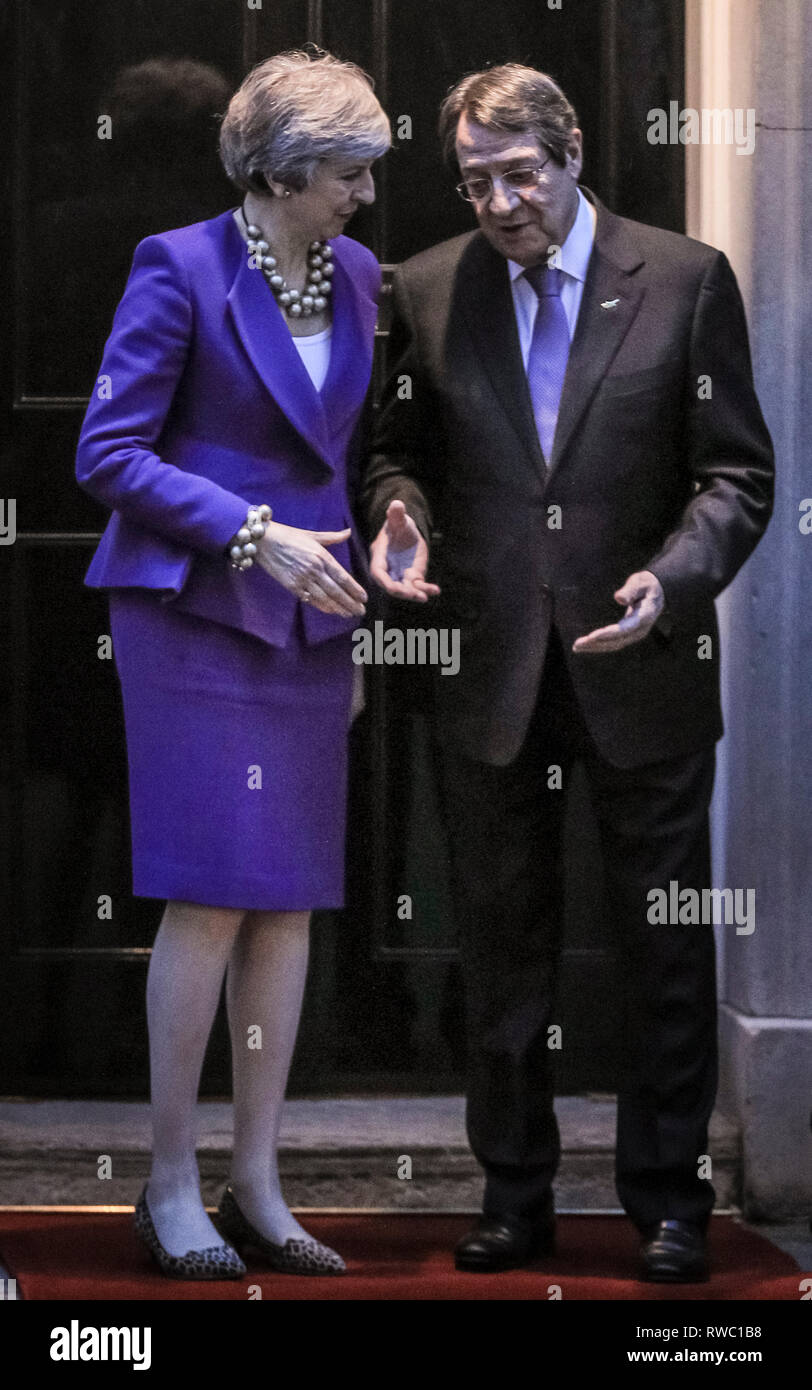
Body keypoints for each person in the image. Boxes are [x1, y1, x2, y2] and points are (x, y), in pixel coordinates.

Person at [362, 63, 774, 1283]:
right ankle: (513, 1197)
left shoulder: (685, 278)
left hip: (637, 662)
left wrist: (673, 576)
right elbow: (394, 449)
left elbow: (736, 475)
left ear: (573, 154)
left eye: (519, 174)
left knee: (660, 950)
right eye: (475, 179)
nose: (498, 202)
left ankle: (668, 1205)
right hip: (489, 667)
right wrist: (398, 514)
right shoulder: (426, 288)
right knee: (500, 954)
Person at [75, 48, 391, 1279]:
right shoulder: (180, 265)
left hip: (313, 620)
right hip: (199, 614)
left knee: (290, 900)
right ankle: (164, 1185)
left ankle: (255, 1179)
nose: (364, 190)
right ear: (282, 166)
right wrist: (249, 534)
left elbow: (338, 452)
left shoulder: (360, 274)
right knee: (208, 890)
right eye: (347, 169)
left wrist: (374, 553)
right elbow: (105, 454)